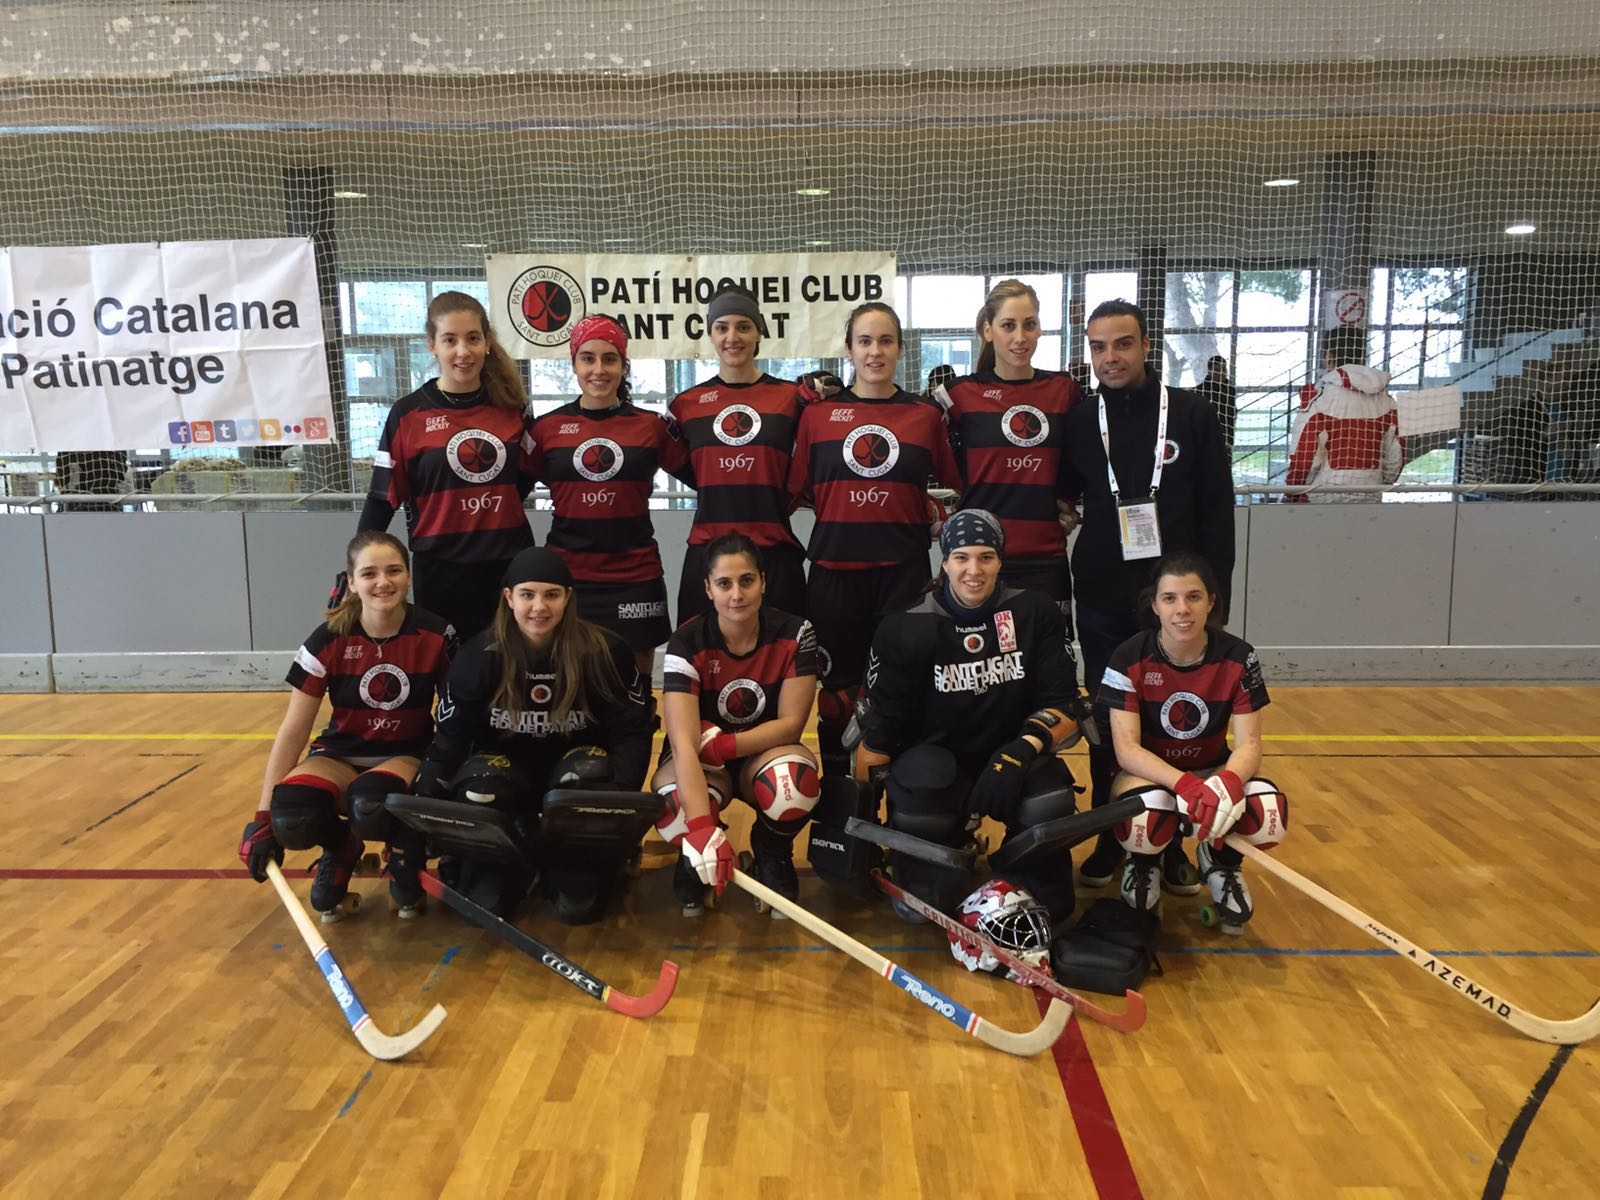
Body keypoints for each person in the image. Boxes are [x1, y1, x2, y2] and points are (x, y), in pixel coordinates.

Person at [1059, 298, 1235, 895]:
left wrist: (1215, 597)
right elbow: (1063, 496)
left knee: (1177, 724)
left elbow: (1217, 509)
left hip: (1176, 600)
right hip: (1104, 592)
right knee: (1114, 722)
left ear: (1145, 345)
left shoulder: (1189, 414)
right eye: (1099, 347)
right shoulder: (1080, 420)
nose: (1111, 357)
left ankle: (1173, 845)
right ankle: (1119, 837)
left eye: (1123, 344)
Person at [852, 509, 1083, 926]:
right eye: (961, 558)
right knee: (922, 903)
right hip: (936, 761)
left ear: (1000, 561)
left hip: (1013, 755)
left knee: (1050, 802)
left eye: (986, 557)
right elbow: (877, 734)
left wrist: (1020, 751)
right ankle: (943, 843)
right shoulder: (905, 625)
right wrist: (872, 830)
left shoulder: (1035, 612)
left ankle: (1021, 862)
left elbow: (1067, 707)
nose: (973, 571)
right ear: (944, 562)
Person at [411, 547, 655, 923]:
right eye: (527, 595)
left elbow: (632, 732)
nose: (538, 607)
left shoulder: (605, 653)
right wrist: (426, 809)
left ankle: (578, 860)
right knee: (484, 895)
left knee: (580, 908)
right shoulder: (478, 658)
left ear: (568, 598)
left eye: (551, 595)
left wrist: (618, 803)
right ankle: (508, 854)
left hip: (577, 778)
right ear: (509, 598)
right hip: (508, 776)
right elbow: (450, 739)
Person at [237, 531, 455, 921]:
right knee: (292, 813)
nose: (383, 582)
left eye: (394, 571)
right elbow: (294, 729)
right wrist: (263, 817)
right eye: (369, 573)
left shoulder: (437, 634)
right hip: (338, 753)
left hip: (404, 753)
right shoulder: (326, 640)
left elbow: (458, 717)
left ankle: (404, 847)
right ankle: (342, 847)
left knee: (371, 802)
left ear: (408, 577)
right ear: (351, 582)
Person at [787, 301, 963, 776]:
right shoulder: (818, 417)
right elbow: (795, 490)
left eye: (886, 341)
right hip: (833, 576)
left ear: (900, 349)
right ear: (849, 349)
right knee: (838, 698)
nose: (875, 352)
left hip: (903, 576)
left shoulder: (924, 417)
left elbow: (956, 486)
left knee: (905, 690)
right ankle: (840, 814)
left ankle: (900, 806)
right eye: (864, 341)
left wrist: (934, 514)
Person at [1098, 553, 1288, 931]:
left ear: (1211, 602)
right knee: (1147, 811)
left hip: (1212, 767)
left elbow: (1249, 744)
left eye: (1194, 597)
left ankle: (1221, 861)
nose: (1182, 609)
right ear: (1155, 605)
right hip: (1148, 774)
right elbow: (1127, 750)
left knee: (1268, 813)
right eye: (1170, 598)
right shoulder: (1128, 657)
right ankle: (1143, 866)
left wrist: (1227, 783)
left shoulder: (1239, 656)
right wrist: (1185, 785)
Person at [651, 533, 820, 915]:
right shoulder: (686, 641)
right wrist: (699, 829)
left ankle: (771, 852)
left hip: (763, 752)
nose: (736, 594)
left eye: (747, 580)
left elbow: (792, 725)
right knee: (675, 806)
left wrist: (723, 745)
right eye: (724, 584)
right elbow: (683, 744)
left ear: (763, 581)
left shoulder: (795, 633)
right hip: (700, 759)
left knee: (792, 783)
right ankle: (696, 857)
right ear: (708, 589)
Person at [357, 291, 537, 640]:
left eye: (472, 338)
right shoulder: (407, 415)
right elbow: (381, 499)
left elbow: (527, 475)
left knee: (508, 676)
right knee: (451, 678)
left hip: (508, 565)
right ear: (432, 346)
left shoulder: (514, 407)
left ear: (487, 342)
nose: (462, 351)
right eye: (450, 340)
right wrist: (356, 566)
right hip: (440, 571)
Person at [528, 314, 693, 678]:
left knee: (633, 691)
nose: (598, 369)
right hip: (569, 578)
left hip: (635, 577)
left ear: (623, 365)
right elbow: (508, 488)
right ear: (574, 364)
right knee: (570, 686)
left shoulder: (651, 427)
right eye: (588, 358)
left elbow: (705, 476)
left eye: (609, 358)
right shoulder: (546, 429)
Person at [932, 278, 1084, 628]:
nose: (1020, 337)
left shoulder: (1064, 390)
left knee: (1049, 665)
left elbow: (1081, 456)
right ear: (988, 330)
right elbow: (911, 440)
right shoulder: (958, 394)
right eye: (1008, 325)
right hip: (979, 559)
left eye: (1029, 325)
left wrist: (1069, 499)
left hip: (1045, 556)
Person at [668, 285, 808, 625]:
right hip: (707, 550)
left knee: (785, 666)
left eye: (743, 326)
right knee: (701, 664)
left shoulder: (792, 399)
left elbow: (804, 467)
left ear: (759, 331)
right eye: (722, 327)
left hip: (773, 552)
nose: (733, 337)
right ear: (711, 334)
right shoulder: (686, 405)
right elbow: (692, 471)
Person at [1285, 338, 1403, 502]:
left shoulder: (1321, 398)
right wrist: (1384, 481)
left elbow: (1304, 455)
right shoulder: (1387, 401)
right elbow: (1396, 454)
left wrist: (1292, 492)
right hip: (1371, 493)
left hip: (1324, 495)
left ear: (1328, 355)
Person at [1197, 355, 1237, 451]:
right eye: (1217, 369)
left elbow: (1231, 414)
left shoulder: (1230, 390)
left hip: (1226, 438)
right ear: (1209, 371)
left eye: (1223, 369)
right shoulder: (1200, 391)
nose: (1221, 373)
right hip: (1206, 439)